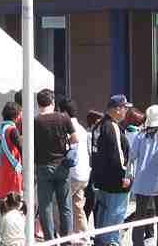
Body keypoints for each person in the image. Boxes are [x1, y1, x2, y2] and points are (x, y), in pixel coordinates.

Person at [126, 106, 158, 246]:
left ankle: (137, 243)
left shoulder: (140, 136)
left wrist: (129, 174)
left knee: (140, 215)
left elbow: (132, 156)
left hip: (142, 182)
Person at [31, 88, 75, 242]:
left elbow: (28, 143)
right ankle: (66, 239)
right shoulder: (64, 118)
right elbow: (75, 138)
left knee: (45, 206)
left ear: (38, 104)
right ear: (53, 101)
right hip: (62, 165)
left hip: (43, 166)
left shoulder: (35, 121)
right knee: (65, 204)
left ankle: (50, 239)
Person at [88, 95, 133, 246]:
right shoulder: (112, 126)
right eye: (125, 108)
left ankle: (102, 242)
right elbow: (117, 155)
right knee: (115, 217)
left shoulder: (98, 125)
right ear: (117, 109)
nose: (126, 111)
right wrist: (124, 176)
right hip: (116, 182)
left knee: (103, 215)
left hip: (101, 179)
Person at [63, 97, 94, 238]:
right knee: (77, 206)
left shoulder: (67, 127)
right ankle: (83, 236)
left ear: (63, 112)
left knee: (58, 205)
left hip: (73, 174)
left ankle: (63, 235)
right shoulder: (81, 128)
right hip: (84, 174)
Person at [0, 102, 25, 199]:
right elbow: (20, 147)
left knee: (4, 197)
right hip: (13, 166)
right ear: (16, 115)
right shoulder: (12, 130)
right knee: (15, 197)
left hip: (3, 166)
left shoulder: (0, 128)